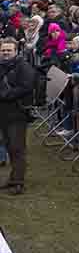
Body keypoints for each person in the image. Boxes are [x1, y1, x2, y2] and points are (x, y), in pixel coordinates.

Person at [0, 37, 36, 195]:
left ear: (16, 51)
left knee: (17, 147)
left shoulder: (24, 66)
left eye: (8, 50)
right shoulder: (1, 65)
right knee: (8, 146)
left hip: (18, 112)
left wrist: (7, 94)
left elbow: (27, 86)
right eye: (3, 50)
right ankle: (13, 178)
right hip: (3, 113)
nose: (5, 53)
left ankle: (18, 182)